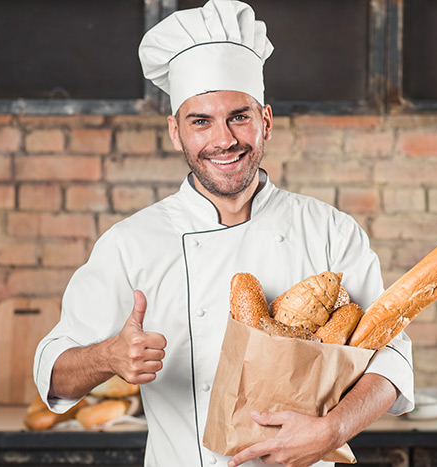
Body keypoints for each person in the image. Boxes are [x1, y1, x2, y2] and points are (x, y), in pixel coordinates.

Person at [33, 1, 414, 466]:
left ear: (266, 121)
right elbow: (52, 372)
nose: (224, 140)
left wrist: (331, 430)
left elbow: (390, 358)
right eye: (200, 121)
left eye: (239, 116)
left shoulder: (330, 231)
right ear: (175, 132)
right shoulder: (131, 243)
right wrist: (108, 358)